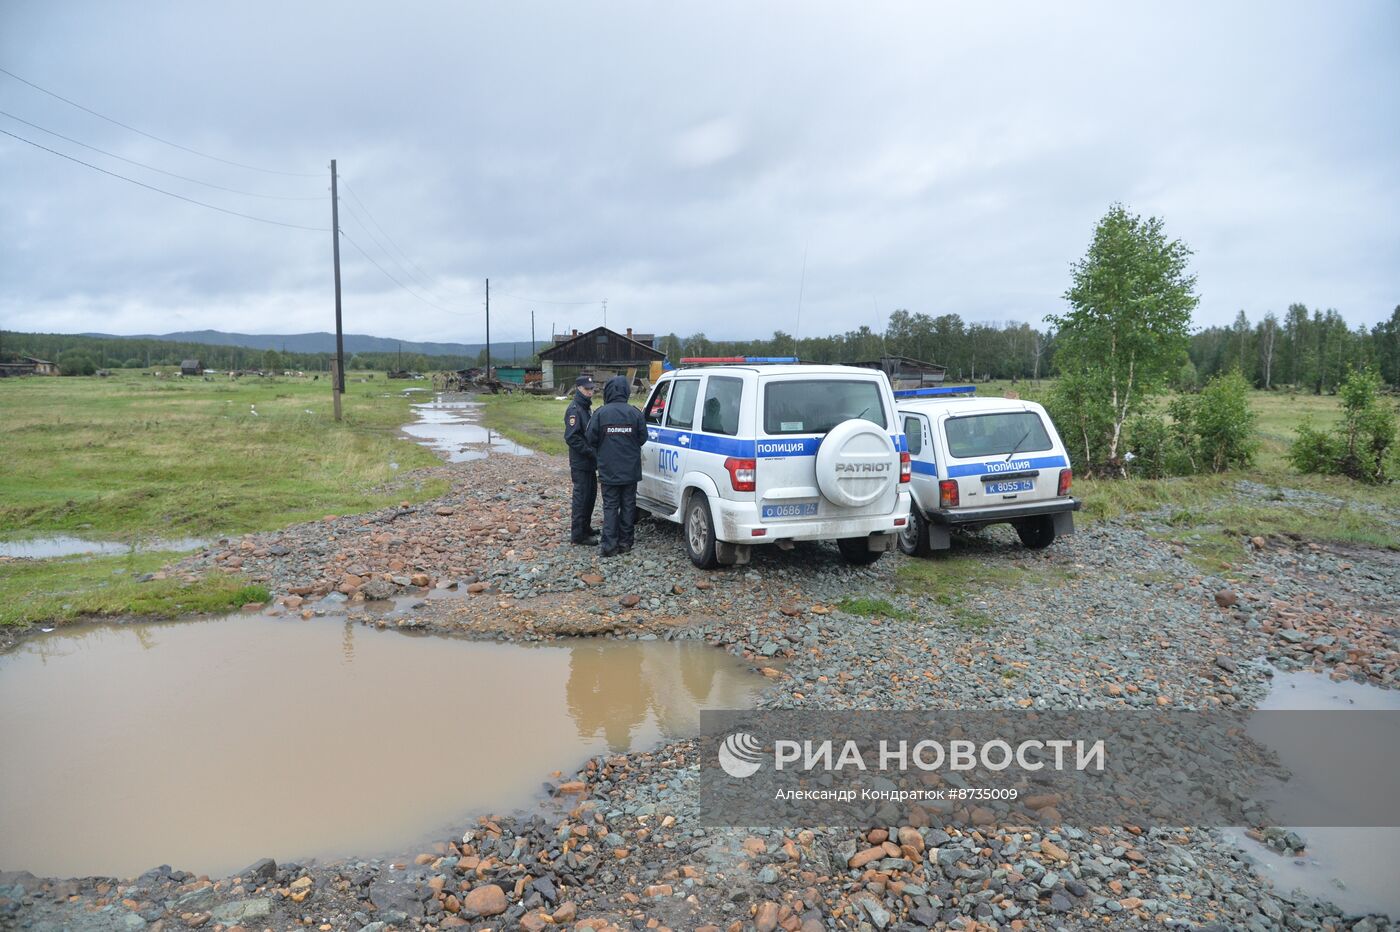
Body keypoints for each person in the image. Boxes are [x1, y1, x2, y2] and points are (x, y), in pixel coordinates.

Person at [584, 374, 647, 557]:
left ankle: (609, 546)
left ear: (608, 391)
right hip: (630, 470)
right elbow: (643, 438)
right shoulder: (635, 413)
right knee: (628, 505)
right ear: (627, 391)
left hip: (608, 469)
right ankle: (625, 543)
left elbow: (590, 438)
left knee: (610, 506)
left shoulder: (600, 413)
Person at [563, 374, 599, 545]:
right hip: (581, 462)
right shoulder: (575, 410)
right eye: (587, 389)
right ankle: (578, 534)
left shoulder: (585, 408)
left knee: (591, 495)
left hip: (589, 462)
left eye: (592, 389)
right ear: (578, 389)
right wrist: (591, 451)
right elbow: (572, 437)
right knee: (581, 497)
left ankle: (586, 527)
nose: (590, 392)